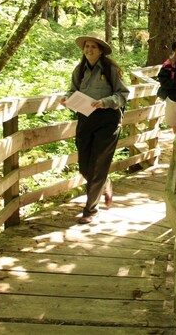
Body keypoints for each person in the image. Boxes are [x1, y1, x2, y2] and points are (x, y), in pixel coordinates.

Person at [60, 33, 129, 224]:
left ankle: (91, 209)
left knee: (99, 164)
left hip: (108, 120)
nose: (89, 50)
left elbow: (123, 94)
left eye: (93, 47)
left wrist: (105, 102)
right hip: (85, 119)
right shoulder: (80, 69)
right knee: (84, 165)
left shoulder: (110, 69)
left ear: (100, 51)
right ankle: (105, 183)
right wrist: (67, 98)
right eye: (87, 47)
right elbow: (73, 90)